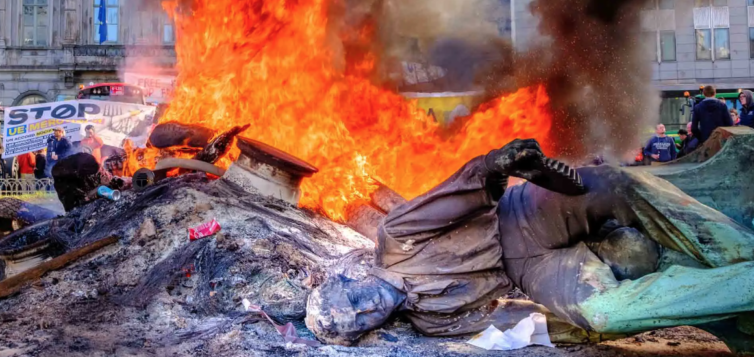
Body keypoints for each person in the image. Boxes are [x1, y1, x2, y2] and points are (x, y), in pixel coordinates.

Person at [306, 139, 754, 351]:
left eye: (355, 302)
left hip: (519, 217)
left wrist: (498, 164)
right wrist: (564, 323)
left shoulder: (397, 238)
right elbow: (508, 321)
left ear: (352, 279)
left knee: (616, 185)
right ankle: (743, 289)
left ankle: (738, 258)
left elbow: (457, 189)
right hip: (530, 272)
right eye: (361, 321)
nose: (371, 309)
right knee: (606, 312)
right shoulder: (429, 322)